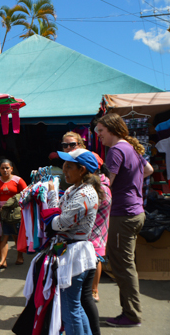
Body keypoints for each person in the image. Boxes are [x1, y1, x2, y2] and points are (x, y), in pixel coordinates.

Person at [95, 113, 153, 328]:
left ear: (111, 129)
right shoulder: (130, 148)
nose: (98, 135)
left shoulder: (116, 150)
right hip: (135, 212)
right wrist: (130, 183)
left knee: (123, 266)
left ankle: (131, 315)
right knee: (125, 264)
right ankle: (130, 313)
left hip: (123, 214)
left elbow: (106, 186)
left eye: (101, 130)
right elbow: (149, 170)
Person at [42, 150, 101, 335]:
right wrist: (54, 205)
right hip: (72, 251)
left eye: (69, 167)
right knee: (74, 306)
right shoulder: (73, 190)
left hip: (76, 254)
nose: (64, 171)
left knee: (70, 308)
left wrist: (51, 215)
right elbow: (58, 214)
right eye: (64, 166)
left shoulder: (84, 194)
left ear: (82, 170)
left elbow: (60, 223)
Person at [83, 163, 111, 335]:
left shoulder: (99, 188)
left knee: (84, 296)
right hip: (97, 233)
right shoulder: (102, 185)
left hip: (94, 233)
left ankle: (94, 290)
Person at [0, 158, 27, 268]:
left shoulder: (18, 180)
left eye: (7, 168)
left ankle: (20, 257)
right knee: (4, 236)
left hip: (15, 213)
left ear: (11, 168)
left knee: (16, 235)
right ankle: (2, 261)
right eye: (2, 168)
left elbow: (26, 194)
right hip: (2, 213)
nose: (5, 170)